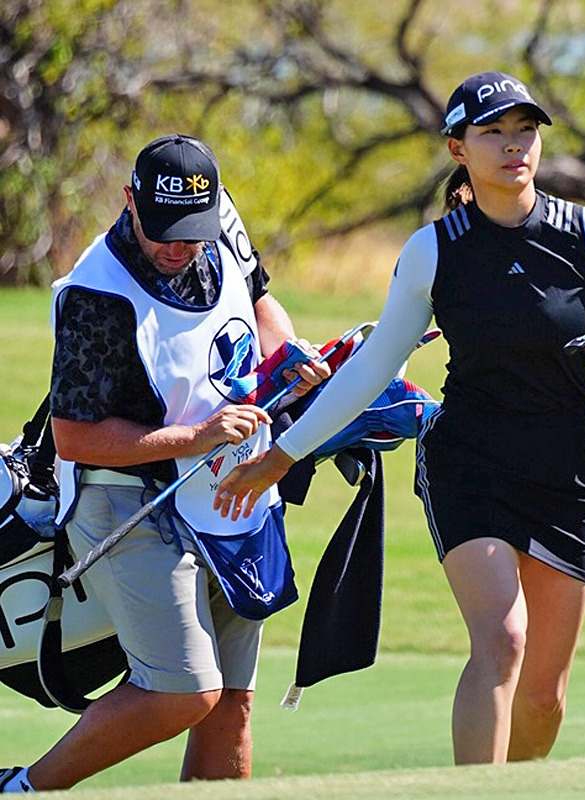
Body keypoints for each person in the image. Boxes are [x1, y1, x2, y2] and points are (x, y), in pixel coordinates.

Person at [213, 71, 585, 765]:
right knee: (503, 639)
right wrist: (287, 451)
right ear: (459, 149)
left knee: (545, 697)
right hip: (471, 465)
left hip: (568, 474)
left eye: (525, 131)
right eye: (492, 133)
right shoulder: (435, 251)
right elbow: (370, 370)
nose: (513, 146)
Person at [0, 134, 330, 793]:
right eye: (164, 232)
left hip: (232, 494)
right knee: (185, 693)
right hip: (126, 501)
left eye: (194, 233)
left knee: (231, 708)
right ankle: (22, 787)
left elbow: (259, 302)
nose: (179, 248)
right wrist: (197, 436)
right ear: (130, 202)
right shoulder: (97, 296)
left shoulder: (219, 225)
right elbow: (76, 439)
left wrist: (294, 363)